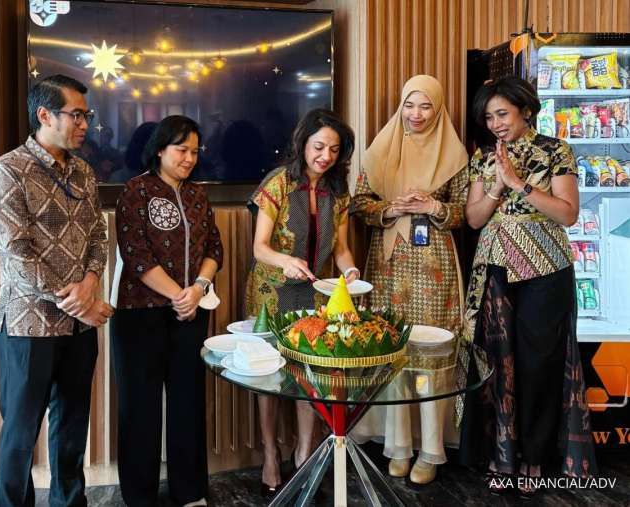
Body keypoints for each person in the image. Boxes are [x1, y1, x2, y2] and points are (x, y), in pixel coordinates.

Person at [459, 76, 596, 497]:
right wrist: (498, 185)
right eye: (489, 117)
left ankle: (535, 457)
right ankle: (503, 456)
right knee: (499, 364)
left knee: (540, 364)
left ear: (526, 111)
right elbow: (475, 219)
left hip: (545, 269)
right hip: (496, 269)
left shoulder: (556, 150)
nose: (495, 123)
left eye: (502, 114)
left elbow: (568, 213)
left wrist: (519, 182)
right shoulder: (483, 158)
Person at [0, 74, 113, 506]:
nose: (84, 124)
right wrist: (77, 301)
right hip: (26, 327)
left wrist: (92, 283)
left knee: (72, 430)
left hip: (78, 330)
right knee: (19, 438)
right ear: (44, 115)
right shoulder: (8, 171)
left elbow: (99, 234)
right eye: (76, 115)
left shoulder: (84, 172)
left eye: (86, 115)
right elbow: (15, 253)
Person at [350, 75, 469, 484]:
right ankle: (398, 444)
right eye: (409, 106)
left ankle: (431, 449)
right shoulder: (380, 150)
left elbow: (464, 215)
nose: (416, 115)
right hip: (388, 265)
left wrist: (435, 205)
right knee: (393, 351)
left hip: (434, 266)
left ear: (438, 111)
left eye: (425, 107)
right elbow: (360, 205)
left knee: (430, 355)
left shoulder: (455, 154)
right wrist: (390, 208)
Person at [244, 108, 359, 496]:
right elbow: (260, 248)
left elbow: (341, 249)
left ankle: (305, 455)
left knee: (309, 376)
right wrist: (287, 261)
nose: (325, 155)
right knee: (270, 377)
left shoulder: (338, 192)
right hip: (272, 293)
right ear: (303, 144)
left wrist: (351, 272)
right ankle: (271, 455)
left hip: (316, 293)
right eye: (318, 146)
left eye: (333, 149)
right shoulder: (278, 184)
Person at [112, 115, 224, 506]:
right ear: (160, 149)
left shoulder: (197, 195)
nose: (189, 158)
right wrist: (179, 294)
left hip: (191, 311)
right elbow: (136, 257)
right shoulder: (135, 190)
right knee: (139, 406)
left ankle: (190, 491)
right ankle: (139, 496)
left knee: (188, 403)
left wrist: (197, 289)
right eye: (181, 150)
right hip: (140, 314)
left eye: (195, 151)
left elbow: (215, 249)